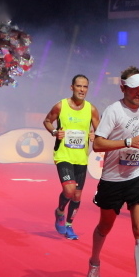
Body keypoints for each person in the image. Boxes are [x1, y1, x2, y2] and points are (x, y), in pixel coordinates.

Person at [87, 67, 139, 277]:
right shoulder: (113, 111)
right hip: (113, 179)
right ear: (123, 88)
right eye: (134, 89)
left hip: (138, 175)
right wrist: (128, 142)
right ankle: (94, 262)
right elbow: (98, 144)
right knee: (105, 225)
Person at [43, 74, 100, 240]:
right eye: (79, 86)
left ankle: (69, 225)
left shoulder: (91, 109)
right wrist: (55, 131)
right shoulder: (61, 106)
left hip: (81, 158)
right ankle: (60, 211)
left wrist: (95, 135)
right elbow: (47, 121)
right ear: (72, 87)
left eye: (85, 87)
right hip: (63, 155)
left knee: (77, 195)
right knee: (69, 190)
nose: (82, 90)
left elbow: (101, 131)